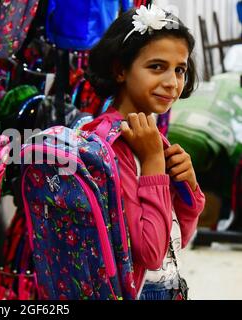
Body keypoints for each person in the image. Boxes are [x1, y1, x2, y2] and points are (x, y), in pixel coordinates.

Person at [82, 5, 206, 299]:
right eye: (157, 67)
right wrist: (152, 162)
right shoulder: (111, 146)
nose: (172, 83)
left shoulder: (150, 137)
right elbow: (151, 252)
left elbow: (177, 240)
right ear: (120, 69)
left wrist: (188, 188)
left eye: (180, 70)